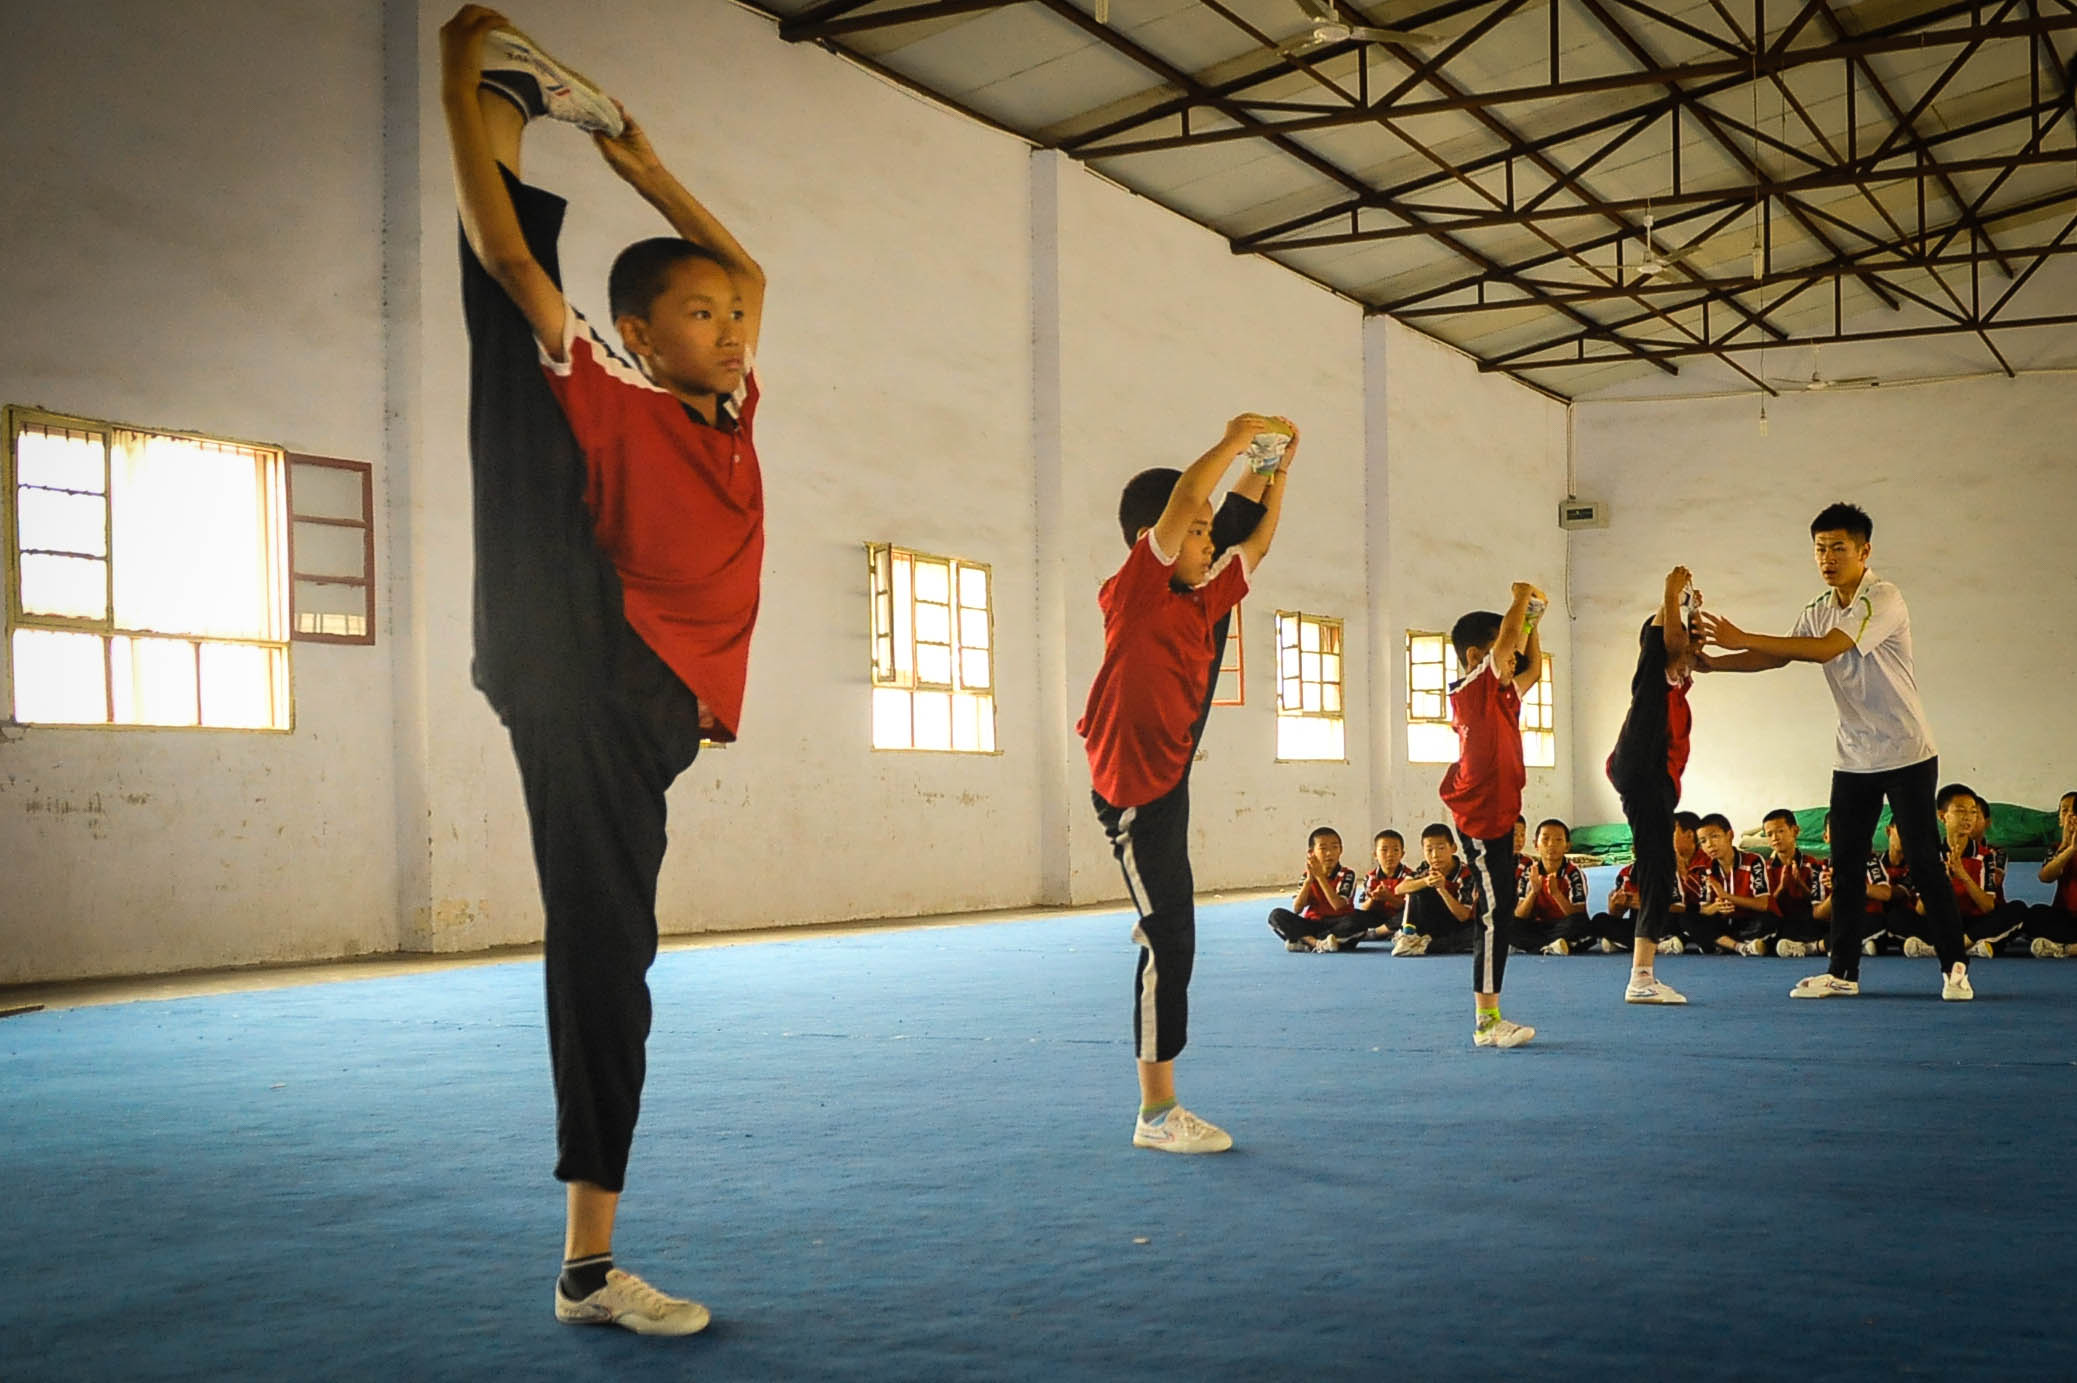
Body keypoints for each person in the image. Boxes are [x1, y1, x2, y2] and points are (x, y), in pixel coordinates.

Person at [442, 7, 768, 1336]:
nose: (732, 322)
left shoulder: (734, 410)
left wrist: (637, 151)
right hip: (590, 665)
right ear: (640, 333)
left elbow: (745, 262)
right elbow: (507, 257)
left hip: (657, 717)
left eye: (732, 311)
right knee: (606, 954)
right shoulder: (607, 383)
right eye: (698, 313)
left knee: (613, 946)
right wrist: (456, 76)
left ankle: (514, 102)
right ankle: (589, 1265)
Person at [1078, 414, 1295, 1154]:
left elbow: (1255, 539)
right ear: (1160, 536)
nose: (1209, 541)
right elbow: (1184, 509)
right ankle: (1155, 1112)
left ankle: (1159, 1108)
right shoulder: (1133, 589)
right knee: (1168, 939)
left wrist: (1278, 463)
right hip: (1133, 792)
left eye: (1207, 532)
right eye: (1198, 532)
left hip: (1169, 774)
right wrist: (1237, 440)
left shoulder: (1202, 599)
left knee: (1179, 936)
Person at [1696, 502, 1974, 1000]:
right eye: (1820, 548)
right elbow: (1777, 656)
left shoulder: (1883, 598)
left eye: (1838, 548)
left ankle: (1954, 967)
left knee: (1923, 860)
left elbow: (1829, 648)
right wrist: (1716, 663)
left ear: (1864, 551)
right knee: (1844, 864)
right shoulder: (1816, 608)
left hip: (1907, 750)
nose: (1827, 557)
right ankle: (1843, 972)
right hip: (1854, 757)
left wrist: (1740, 634)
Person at [1436, 585, 1545, 1047]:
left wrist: (1532, 623)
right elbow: (1506, 652)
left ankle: (1489, 1015)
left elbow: (1532, 667)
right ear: (1477, 655)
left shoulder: (1503, 694)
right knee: (1495, 914)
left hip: (1503, 814)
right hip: (1480, 819)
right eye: (1508, 647)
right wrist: (1519, 601)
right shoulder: (1472, 689)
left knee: (1499, 913)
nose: (1515, 657)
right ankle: (1486, 1020)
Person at [1599, 566, 1699, 1001]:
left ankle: (1642, 975)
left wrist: (1690, 605)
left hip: (1654, 781)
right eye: (1686, 637)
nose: (1692, 644)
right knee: (1658, 871)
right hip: (1639, 768)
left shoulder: (1678, 685)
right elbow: (1670, 640)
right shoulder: (1653, 680)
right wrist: (1671, 594)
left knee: (1657, 868)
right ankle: (1641, 978)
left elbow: (1687, 644)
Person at [1392, 824, 1485, 957]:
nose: (1435, 855)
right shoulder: (1425, 868)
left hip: (1457, 925)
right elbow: (1399, 889)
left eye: (1441, 848)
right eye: (1429, 850)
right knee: (1416, 888)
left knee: (1479, 933)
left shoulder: (1467, 874)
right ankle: (1408, 936)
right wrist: (1425, 881)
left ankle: (1426, 945)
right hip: (1432, 923)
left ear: (1453, 848)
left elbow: (1463, 916)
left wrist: (1442, 889)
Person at [1267, 826, 1361, 953]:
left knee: (1358, 923)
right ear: (1311, 853)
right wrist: (1309, 881)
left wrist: (1320, 877)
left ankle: (1304, 942)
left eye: (1334, 847)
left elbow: (1337, 905)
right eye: (1323, 849)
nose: (1329, 853)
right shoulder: (1307, 876)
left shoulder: (1348, 874)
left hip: (1338, 923)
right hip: (1313, 923)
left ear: (1341, 850)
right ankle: (1316, 943)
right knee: (1276, 915)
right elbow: (1297, 909)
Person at [1692, 814, 1774, 955]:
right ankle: (1741, 947)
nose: (1709, 844)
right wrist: (1714, 907)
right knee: (1690, 917)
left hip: (1749, 920)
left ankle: (1721, 944)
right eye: (1703, 841)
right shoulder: (1704, 868)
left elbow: (1762, 904)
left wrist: (1726, 896)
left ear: (1730, 835)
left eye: (1715, 837)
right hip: (1724, 923)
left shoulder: (1753, 860)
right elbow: (1704, 907)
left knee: (1770, 920)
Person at [1812, 813, 1890, 956]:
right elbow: (1818, 913)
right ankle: (1859, 945)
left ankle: (1819, 947)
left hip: (1867, 919)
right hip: (1836, 923)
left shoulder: (1869, 860)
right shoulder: (1820, 869)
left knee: (1878, 921)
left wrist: (1852, 884)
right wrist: (1837, 891)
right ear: (1826, 837)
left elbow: (1886, 894)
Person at [1512, 819, 1591, 956]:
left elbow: (1579, 914)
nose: (1551, 845)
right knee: (1509, 924)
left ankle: (1537, 946)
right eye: (1545, 839)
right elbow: (1520, 915)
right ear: (1536, 845)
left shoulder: (1573, 873)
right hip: (1538, 926)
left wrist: (1556, 894)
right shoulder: (1529, 872)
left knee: (1583, 924)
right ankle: (1554, 946)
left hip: (1564, 924)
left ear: (1567, 846)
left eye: (1558, 840)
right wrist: (1534, 892)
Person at [1760, 809, 1826, 959]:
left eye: (1780, 831)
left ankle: (1790, 945)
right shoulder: (1764, 867)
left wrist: (1801, 884)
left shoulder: (1813, 864)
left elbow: (1820, 905)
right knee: (1764, 921)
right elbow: (1763, 904)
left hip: (1805, 918)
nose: (1775, 838)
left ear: (1795, 831)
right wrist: (1781, 888)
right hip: (1779, 919)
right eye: (1769, 834)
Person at [2025, 792, 2077, 957]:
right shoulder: (2055, 849)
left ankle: (2065, 949)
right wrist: (2069, 848)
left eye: (2075, 811)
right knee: (2034, 914)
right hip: (2067, 917)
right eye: (2065, 810)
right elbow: (2045, 877)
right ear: (2060, 820)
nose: (2070, 815)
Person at [1356, 829, 1416, 941]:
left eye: (1395, 850)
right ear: (1375, 854)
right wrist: (1374, 899)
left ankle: (1376, 934)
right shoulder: (1371, 877)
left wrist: (1389, 898)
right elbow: (1363, 907)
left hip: (1399, 917)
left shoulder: (1409, 876)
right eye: (1384, 850)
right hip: (1378, 918)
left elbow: (1408, 908)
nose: (1390, 855)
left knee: (1412, 917)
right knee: (1352, 916)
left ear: (1402, 854)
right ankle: (1387, 932)